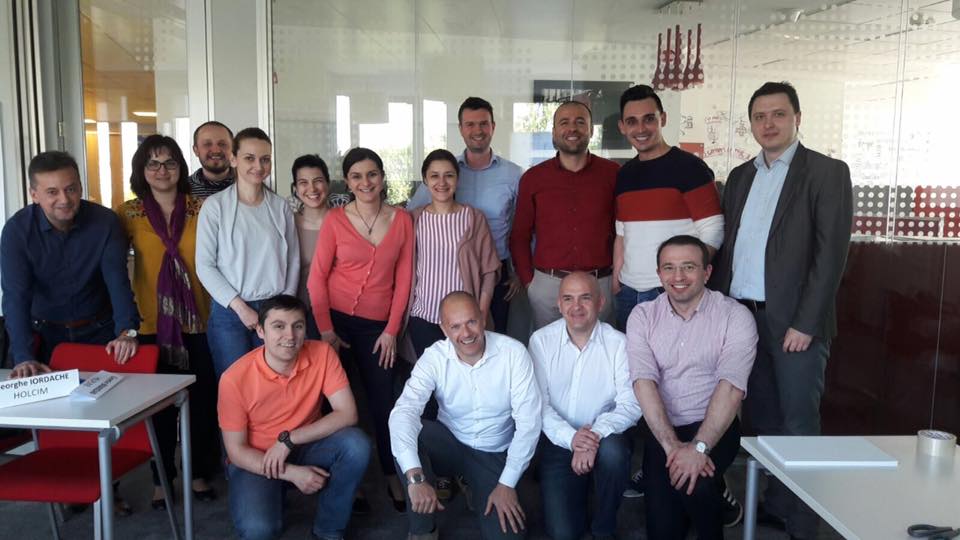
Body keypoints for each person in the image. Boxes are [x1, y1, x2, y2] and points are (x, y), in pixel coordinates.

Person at [709, 81, 853, 540]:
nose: (768, 124)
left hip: (795, 324)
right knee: (765, 420)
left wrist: (806, 323)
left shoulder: (826, 173)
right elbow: (730, 249)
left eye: (778, 114)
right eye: (759, 116)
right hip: (745, 318)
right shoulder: (740, 177)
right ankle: (777, 503)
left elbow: (830, 256)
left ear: (797, 118)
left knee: (798, 423)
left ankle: (804, 524)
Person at [628, 235, 757, 540]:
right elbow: (644, 383)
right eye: (669, 268)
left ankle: (713, 507)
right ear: (659, 274)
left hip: (715, 426)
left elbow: (731, 388)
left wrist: (699, 448)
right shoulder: (643, 316)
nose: (678, 276)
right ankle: (715, 494)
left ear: (707, 272)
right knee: (663, 531)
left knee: (697, 484)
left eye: (688, 267)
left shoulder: (735, 316)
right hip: (663, 429)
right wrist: (672, 447)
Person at [116, 135, 221, 509]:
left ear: (181, 167)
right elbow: (113, 269)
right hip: (150, 327)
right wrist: (123, 323)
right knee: (157, 410)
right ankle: (161, 479)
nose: (162, 170)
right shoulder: (128, 213)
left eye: (170, 163)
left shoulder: (202, 208)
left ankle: (198, 472)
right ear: (142, 171)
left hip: (201, 322)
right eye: (153, 164)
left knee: (202, 403)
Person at [307, 147, 414, 509]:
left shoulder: (402, 220)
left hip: (377, 329)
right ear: (347, 182)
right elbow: (317, 278)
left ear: (382, 178)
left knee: (384, 403)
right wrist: (325, 330)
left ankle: (391, 474)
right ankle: (344, 480)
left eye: (372, 174)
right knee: (333, 404)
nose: (365, 182)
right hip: (334, 324)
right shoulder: (335, 220)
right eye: (356, 176)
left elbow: (404, 280)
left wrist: (391, 330)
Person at [389, 292, 541, 540]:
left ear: (482, 318)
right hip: (450, 443)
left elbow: (529, 425)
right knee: (407, 434)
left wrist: (506, 483)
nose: (466, 333)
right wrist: (415, 477)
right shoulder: (435, 356)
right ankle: (423, 530)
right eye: (456, 326)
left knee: (509, 536)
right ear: (444, 329)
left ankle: (472, 482)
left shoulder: (513, 353)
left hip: (493, 452)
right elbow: (404, 411)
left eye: (471, 321)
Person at [218, 295, 370, 540]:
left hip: (306, 444)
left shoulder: (322, 353)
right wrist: (291, 473)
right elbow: (236, 452)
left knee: (356, 445)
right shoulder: (233, 378)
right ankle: (273, 492)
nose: (290, 336)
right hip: (258, 458)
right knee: (259, 530)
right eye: (278, 326)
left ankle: (329, 530)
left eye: (297, 326)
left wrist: (289, 440)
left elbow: (348, 413)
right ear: (260, 331)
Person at [1, 151, 140, 379]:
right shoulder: (16, 231)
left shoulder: (105, 222)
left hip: (100, 333)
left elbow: (118, 283)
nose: (64, 199)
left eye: (71, 189)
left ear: (80, 188)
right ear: (34, 195)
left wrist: (127, 332)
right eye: (52, 192)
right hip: (43, 336)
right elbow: (16, 297)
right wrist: (23, 356)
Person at [528, 272, 641, 540]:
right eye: (568, 298)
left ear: (600, 303)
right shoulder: (541, 341)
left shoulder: (620, 344)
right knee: (563, 533)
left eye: (585, 298)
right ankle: (581, 488)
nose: (576, 306)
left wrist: (593, 435)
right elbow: (538, 404)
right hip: (557, 440)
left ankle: (604, 527)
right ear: (559, 304)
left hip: (605, 438)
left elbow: (631, 404)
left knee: (614, 456)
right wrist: (572, 439)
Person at [406, 97, 524, 333]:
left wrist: (520, 270)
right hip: (448, 270)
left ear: (493, 127)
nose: (477, 130)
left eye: (483, 123)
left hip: (495, 270)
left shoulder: (513, 174)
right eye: (470, 124)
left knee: (490, 338)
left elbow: (523, 226)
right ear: (460, 129)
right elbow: (411, 215)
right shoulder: (446, 169)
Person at [613, 84, 723, 330]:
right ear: (622, 127)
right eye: (632, 121)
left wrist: (683, 279)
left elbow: (714, 230)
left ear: (662, 119)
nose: (641, 129)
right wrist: (616, 278)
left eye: (649, 119)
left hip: (670, 291)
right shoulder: (624, 175)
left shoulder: (691, 168)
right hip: (628, 291)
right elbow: (622, 232)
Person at [196, 127, 299, 377]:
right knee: (236, 383)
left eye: (265, 159)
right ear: (233, 159)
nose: (258, 166)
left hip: (273, 307)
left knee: (274, 382)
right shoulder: (215, 207)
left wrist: (283, 307)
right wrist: (241, 308)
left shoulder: (280, 207)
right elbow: (205, 265)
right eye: (249, 158)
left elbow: (293, 259)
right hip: (230, 311)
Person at [510, 100, 619, 329]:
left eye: (580, 122)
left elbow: (623, 232)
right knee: (548, 348)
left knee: (601, 348)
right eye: (564, 122)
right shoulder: (533, 178)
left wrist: (616, 280)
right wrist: (530, 283)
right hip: (548, 287)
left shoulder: (613, 174)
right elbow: (519, 236)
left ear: (591, 130)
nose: (572, 128)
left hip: (600, 284)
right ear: (554, 132)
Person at [407, 149, 500, 358]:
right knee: (430, 375)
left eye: (448, 175)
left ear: (457, 179)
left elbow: (489, 271)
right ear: (425, 180)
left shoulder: (474, 218)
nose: (442, 182)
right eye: (434, 176)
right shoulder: (413, 219)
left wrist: (481, 313)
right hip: (423, 317)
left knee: (467, 374)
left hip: (464, 322)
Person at [290, 154, 332, 340]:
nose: (312, 188)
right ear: (295, 188)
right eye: (303, 182)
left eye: (318, 181)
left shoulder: (343, 222)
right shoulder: (287, 224)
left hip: (337, 311)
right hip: (297, 311)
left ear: (328, 184)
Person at [189, 121, 236, 199]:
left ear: (233, 148)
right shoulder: (182, 189)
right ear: (196, 150)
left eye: (222, 144)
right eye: (207, 144)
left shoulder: (250, 185)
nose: (216, 150)